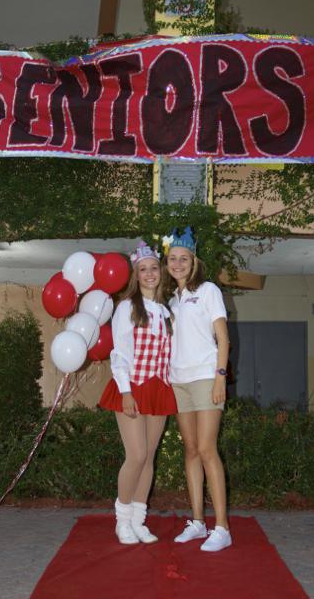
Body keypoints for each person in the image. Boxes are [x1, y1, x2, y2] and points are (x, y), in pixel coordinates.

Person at [99, 242, 177, 545]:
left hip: (159, 387)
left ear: (161, 272)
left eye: (153, 268)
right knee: (137, 454)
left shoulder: (167, 311)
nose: (149, 273)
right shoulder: (127, 307)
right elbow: (119, 352)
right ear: (136, 274)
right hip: (132, 386)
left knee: (149, 458)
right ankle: (122, 520)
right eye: (143, 269)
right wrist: (126, 391)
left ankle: (138, 520)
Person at [162, 227, 232, 553]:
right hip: (178, 381)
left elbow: (223, 338)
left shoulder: (208, 291)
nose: (178, 263)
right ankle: (198, 522)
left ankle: (222, 527)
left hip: (205, 377)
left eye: (184, 258)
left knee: (207, 449)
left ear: (194, 261)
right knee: (189, 450)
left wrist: (220, 376)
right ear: (167, 262)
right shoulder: (170, 300)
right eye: (173, 258)